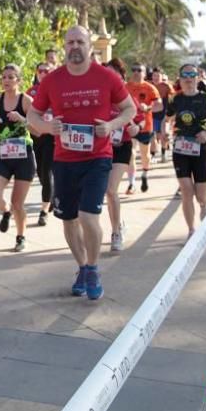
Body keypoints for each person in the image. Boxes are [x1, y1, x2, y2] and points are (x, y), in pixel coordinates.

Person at [28, 26, 136, 301]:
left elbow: (129, 109)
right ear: (64, 47)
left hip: (97, 157)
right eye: (70, 42)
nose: (74, 46)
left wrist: (111, 125)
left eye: (80, 41)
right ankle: (82, 268)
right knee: (69, 219)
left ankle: (93, 268)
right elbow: (33, 116)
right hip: (64, 161)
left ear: (90, 47)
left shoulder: (106, 77)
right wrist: (47, 127)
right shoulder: (52, 81)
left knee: (89, 216)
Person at [165, 64, 206, 239]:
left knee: (200, 195)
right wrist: (163, 132)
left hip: (200, 150)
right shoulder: (175, 99)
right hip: (181, 149)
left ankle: (204, 204)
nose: (188, 78)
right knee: (186, 191)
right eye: (185, 75)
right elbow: (166, 119)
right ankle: (191, 230)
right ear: (180, 79)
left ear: (198, 78)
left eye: (192, 75)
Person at [0, 64, 36, 251]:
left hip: (24, 156)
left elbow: (37, 129)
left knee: (18, 203)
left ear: (19, 80)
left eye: (11, 77)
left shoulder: (26, 100)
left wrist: (22, 119)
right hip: (4, 154)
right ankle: (6, 211)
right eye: (4, 77)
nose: (6, 80)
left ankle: (21, 236)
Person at [103, 58, 145, 252]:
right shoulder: (99, 96)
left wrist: (136, 127)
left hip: (121, 147)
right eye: (107, 74)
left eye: (114, 74)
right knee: (106, 192)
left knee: (111, 190)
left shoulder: (126, 97)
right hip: (101, 147)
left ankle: (116, 231)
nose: (110, 78)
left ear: (121, 77)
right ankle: (118, 224)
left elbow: (140, 121)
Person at [125, 64, 163, 193]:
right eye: (133, 70)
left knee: (145, 155)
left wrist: (147, 108)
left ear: (145, 73)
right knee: (131, 154)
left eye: (139, 70)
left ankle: (144, 175)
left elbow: (159, 105)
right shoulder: (125, 87)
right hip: (129, 125)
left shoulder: (150, 88)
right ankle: (131, 184)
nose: (136, 72)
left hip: (145, 126)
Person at [28, 62, 55, 226]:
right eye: (40, 71)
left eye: (47, 70)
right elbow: (27, 113)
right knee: (41, 172)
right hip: (36, 135)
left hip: (52, 136)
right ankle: (51, 194)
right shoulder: (31, 92)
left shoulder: (59, 89)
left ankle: (43, 211)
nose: (43, 73)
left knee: (48, 172)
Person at [150, 68, 175, 163]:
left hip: (164, 115)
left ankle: (164, 154)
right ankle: (152, 155)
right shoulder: (148, 86)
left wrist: (171, 115)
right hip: (152, 115)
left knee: (165, 135)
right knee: (152, 137)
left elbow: (173, 99)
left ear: (161, 76)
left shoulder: (166, 87)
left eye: (158, 75)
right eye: (154, 75)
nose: (156, 78)